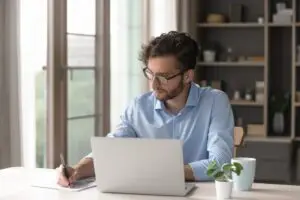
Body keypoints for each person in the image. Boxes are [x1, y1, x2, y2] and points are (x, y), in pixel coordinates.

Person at [57, 31, 234, 187]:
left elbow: (221, 164)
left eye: (164, 77)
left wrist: (164, 173)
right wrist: (77, 170)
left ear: (187, 76)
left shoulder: (215, 102)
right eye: (150, 74)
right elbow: (111, 149)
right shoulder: (138, 106)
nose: (154, 84)